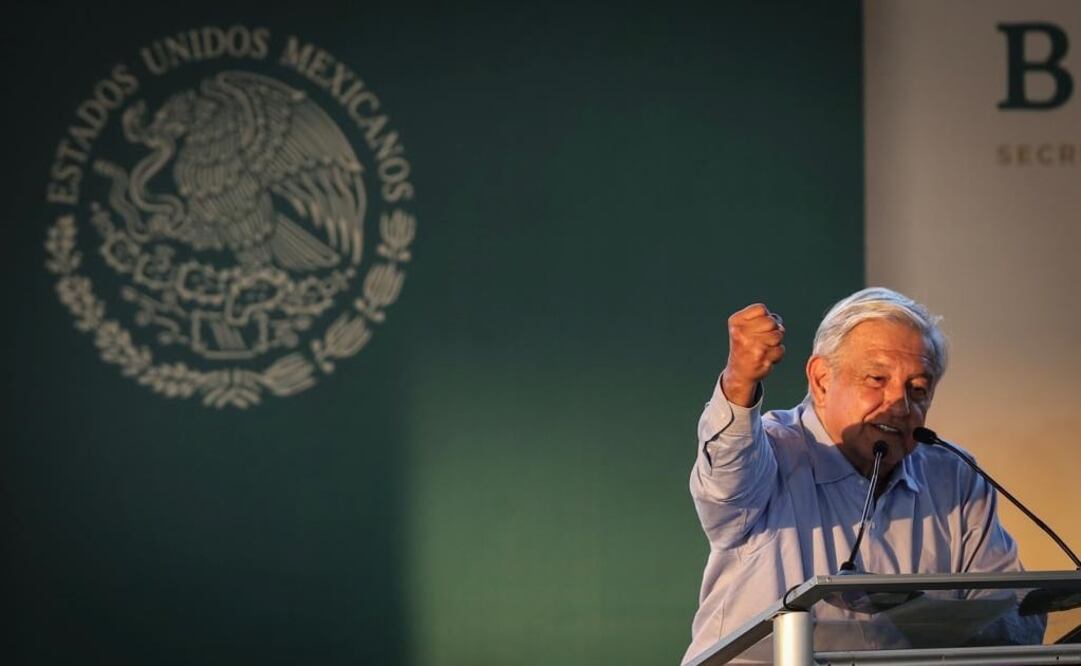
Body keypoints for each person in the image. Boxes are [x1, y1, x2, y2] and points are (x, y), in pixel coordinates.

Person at [683, 288, 1043, 664]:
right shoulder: (769, 453)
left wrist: (930, 620)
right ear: (822, 380)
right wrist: (739, 382)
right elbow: (727, 475)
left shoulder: (956, 479)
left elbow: (1012, 612)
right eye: (876, 379)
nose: (899, 405)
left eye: (917, 389)